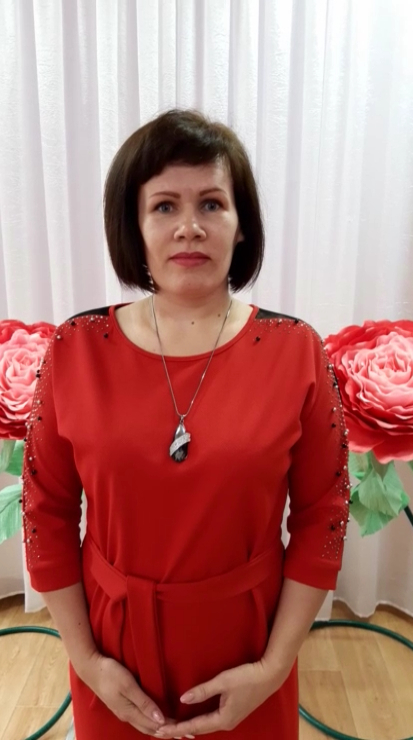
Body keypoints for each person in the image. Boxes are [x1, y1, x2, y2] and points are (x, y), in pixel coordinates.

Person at [22, 108, 350, 740]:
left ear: (242, 225)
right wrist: (86, 661)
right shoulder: (74, 348)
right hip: (112, 652)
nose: (189, 227)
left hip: (249, 648)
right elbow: (46, 513)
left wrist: (274, 666)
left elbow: (323, 517)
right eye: (164, 206)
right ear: (134, 225)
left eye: (212, 204)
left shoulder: (297, 351)